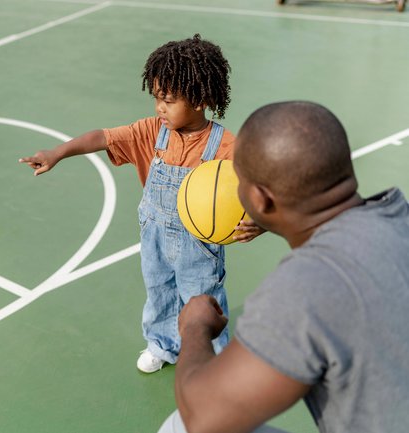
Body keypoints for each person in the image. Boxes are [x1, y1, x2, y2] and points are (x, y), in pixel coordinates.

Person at [158, 101, 409, 433]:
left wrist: (194, 328)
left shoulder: (306, 286)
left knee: (182, 426)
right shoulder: (397, 215)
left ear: (260, 200)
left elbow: (203, 417)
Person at [20, 35, 262, 373]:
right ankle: (163, 345)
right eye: (157, 98)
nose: (160, 107)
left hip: (200, 245)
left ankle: (213, 358)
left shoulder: (226, 147)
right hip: (154, 236)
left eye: (169, 99)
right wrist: (58, 153)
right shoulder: (152, 132)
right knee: (159, 290)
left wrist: (260, 223)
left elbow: (258, 190)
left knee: (202, 299)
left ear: (200, 98)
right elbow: (103, 137)